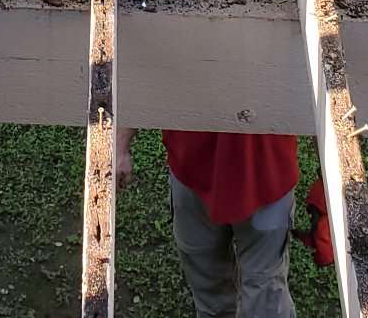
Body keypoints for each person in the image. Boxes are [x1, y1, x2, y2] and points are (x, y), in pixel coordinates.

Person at [117, 129, 303, 317]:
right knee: (210, 291)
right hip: (192, 170)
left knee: (265, 300)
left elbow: (326, 101)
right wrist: (120, 142)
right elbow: (143, 98)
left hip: (267, 176)